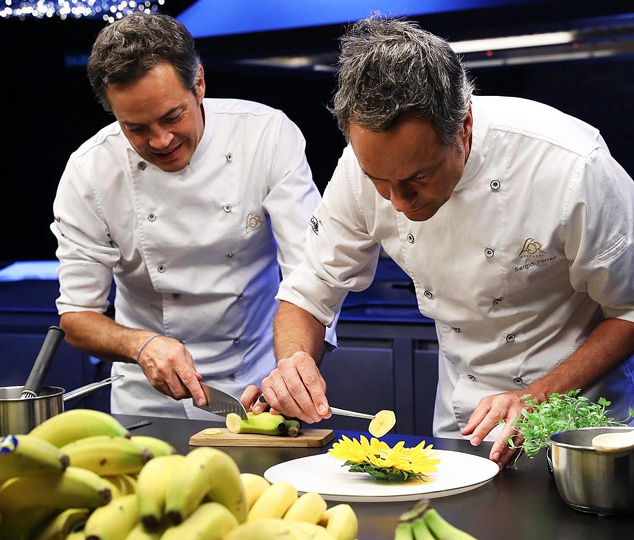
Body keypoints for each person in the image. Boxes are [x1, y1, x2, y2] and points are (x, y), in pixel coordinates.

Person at [259, 16, 634, 468]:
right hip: (462, 428)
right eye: (380, 180)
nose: (398, 201)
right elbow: (310, 290)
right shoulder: (359, 167)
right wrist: (294, 364)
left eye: (418, 176)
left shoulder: (571, 166)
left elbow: (629, 310)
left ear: (465, 127)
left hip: (580, 431)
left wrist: (538, 396)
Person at [50, 13, 324, 419]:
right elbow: (76, 317)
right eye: (136, 128)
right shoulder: (90, 171)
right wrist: (140, 345)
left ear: (199, 83)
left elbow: (309, 276)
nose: (160, 140)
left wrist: (293, 368)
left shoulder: (266, 135)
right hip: (148, 400)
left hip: (258, 388)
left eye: (172, 116)